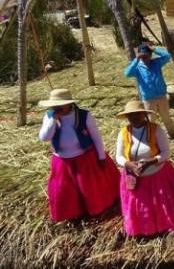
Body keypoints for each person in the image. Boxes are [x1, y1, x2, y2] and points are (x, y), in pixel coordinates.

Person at [38, 89, 119, 222]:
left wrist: (101, 157)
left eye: (60, 105)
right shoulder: (49, 117)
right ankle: (73, 214)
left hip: (85, 157)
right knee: (65, 190)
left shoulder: (83, 116)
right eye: (54, 105)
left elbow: (96, 137)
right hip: (62, 160)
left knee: (90, 188)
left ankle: (94, 211)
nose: (56, 107)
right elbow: (44, 137)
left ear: (69, 104)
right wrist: (53, 120)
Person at [115, 100, 174, 236]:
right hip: (134, 176)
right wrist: (128, 164)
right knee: (141, 206)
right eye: (131, 115)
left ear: (144, 114)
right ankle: (144, 229)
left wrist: (151, 161)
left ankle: (164, 225)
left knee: (161, 203)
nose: (134, 118)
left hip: (157, 173)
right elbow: (119, 156)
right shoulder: (123, 133)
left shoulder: (156, 129)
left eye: (138, 114)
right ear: (127, 117)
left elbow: (166, 153)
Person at [124, 42, 174, 139]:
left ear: (150, 55)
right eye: (142, 56)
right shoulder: (137, 67)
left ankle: (173, 136)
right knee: (150, 120)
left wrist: (154, 49)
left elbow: (167, 56)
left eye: (146, 56)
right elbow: (127, 73)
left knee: (167, 118)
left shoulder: (156, 62)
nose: (145, 58)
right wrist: (136, 59)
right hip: (148, 99)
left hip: (161, 96)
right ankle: (151, 138)